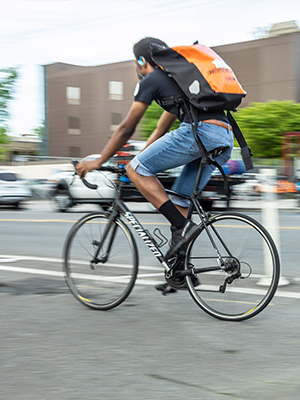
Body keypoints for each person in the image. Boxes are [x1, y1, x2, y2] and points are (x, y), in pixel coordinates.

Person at [75, 37, 234, 293]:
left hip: (201, 133)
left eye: (134, 63)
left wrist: (100, 160)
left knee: (138, 171)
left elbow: (127, 126)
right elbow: (161, 129)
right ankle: (180, 274)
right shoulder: (178, 82)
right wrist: (140, 159)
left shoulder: (152, 80)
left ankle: (184, 228)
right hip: (225, 138)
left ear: (140, 61)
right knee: (180, 201)